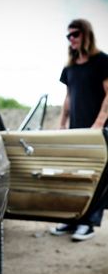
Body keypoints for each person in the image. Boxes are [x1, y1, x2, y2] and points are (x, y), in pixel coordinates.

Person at [50, 18, 108, 241]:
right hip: (76, 129)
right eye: (68, 35)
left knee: (95, 178)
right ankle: (72, 218)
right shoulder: (70, 66)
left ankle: (88, 224)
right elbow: (68, 97)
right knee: (73, 174)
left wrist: (99, 123)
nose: (71, 39)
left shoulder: (102, 61)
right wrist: (62, 123)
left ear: (86, 34)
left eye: (75, 34)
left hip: (99, 132)